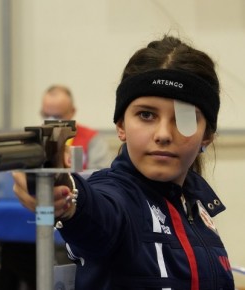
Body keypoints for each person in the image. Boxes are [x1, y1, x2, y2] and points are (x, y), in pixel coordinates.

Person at [13, 35, 235, 289]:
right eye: (146, 114)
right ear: (121, 126)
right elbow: (96, 212)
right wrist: (65, 191)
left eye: (183, 119)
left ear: (207, 135)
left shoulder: (197, 204)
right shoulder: (117, 197)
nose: (162, 134)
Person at [40, 84, 112, 170]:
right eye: (46, 115)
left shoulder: (92, 139)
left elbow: (101, 175)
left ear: (72, 112)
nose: (51, 121)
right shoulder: (36, 139)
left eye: (58, 117)